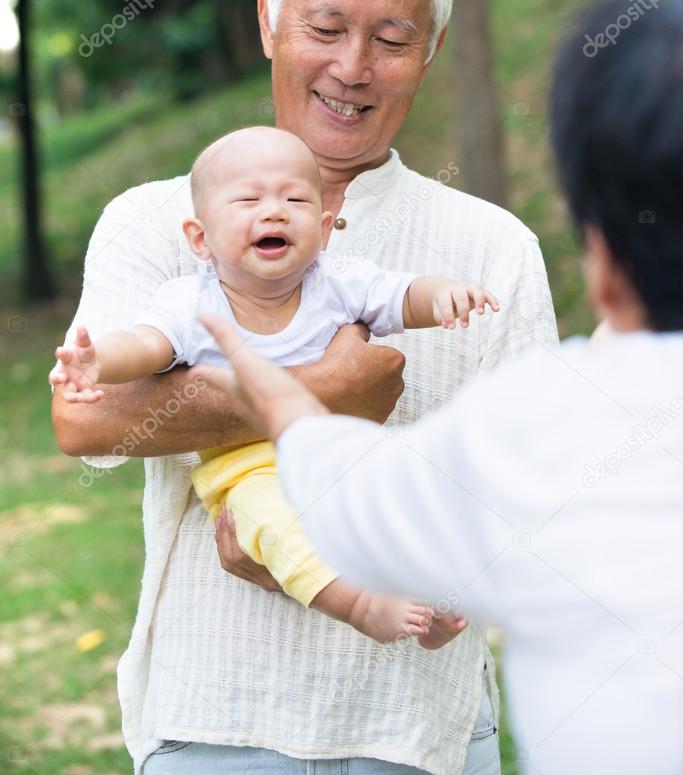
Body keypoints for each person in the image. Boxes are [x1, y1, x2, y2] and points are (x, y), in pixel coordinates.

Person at [53, 0, 557, 775]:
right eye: (324, 27)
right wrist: (330, 391)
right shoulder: (158, 222)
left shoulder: (491, 251)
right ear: (266, 19)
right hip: (215, 723)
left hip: (422, 736)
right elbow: (85, 419)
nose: (353, 66)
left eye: (392, 37)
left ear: (432, 45)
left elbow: (537, 500)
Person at [199, 0, 683, 775]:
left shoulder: (539, 430)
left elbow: (343, 495)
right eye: (326, 28)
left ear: (599, 255)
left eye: (392, 37)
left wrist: (273, 381)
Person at [51, 124, 498, 645]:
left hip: (339, 451)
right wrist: (97, 361)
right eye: (248, 199)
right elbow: (147, 345)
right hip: (246, 468)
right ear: (200, 237)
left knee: (399, 495)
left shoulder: (337, 282)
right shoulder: (191, 301)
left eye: (295, 199)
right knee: (276, 523)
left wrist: (443, 295)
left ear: (324, 227)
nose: (275, 211)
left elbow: (400, 296)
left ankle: (433, 597)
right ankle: (363, 606)